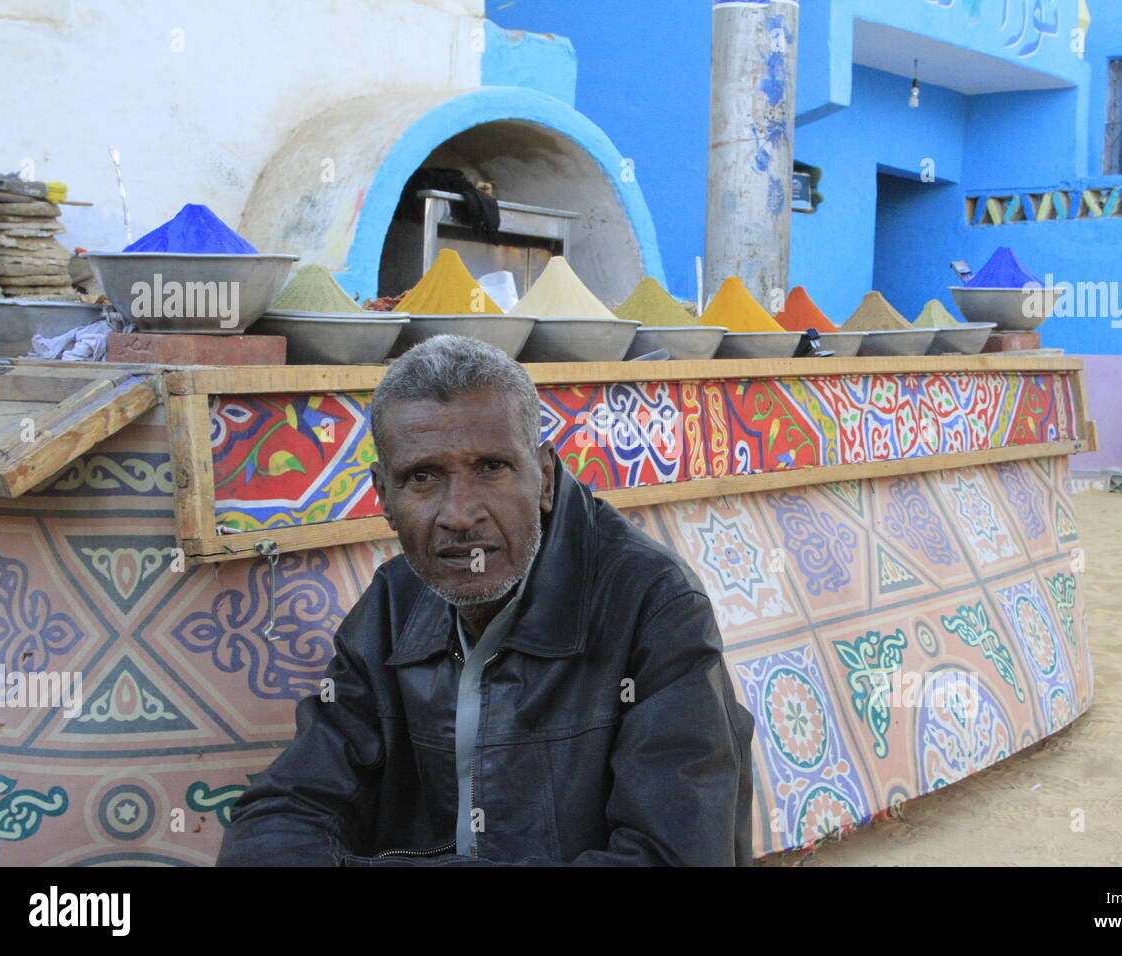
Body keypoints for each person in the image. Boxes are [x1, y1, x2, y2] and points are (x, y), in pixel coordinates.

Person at [216, 334, 755, 866]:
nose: (459, 514)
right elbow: (285, 810)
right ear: (383, 495)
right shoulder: (394, 604)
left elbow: (676, 855)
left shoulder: (652, 602)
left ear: (543, 477)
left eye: (491, 468)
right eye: (422, 477)